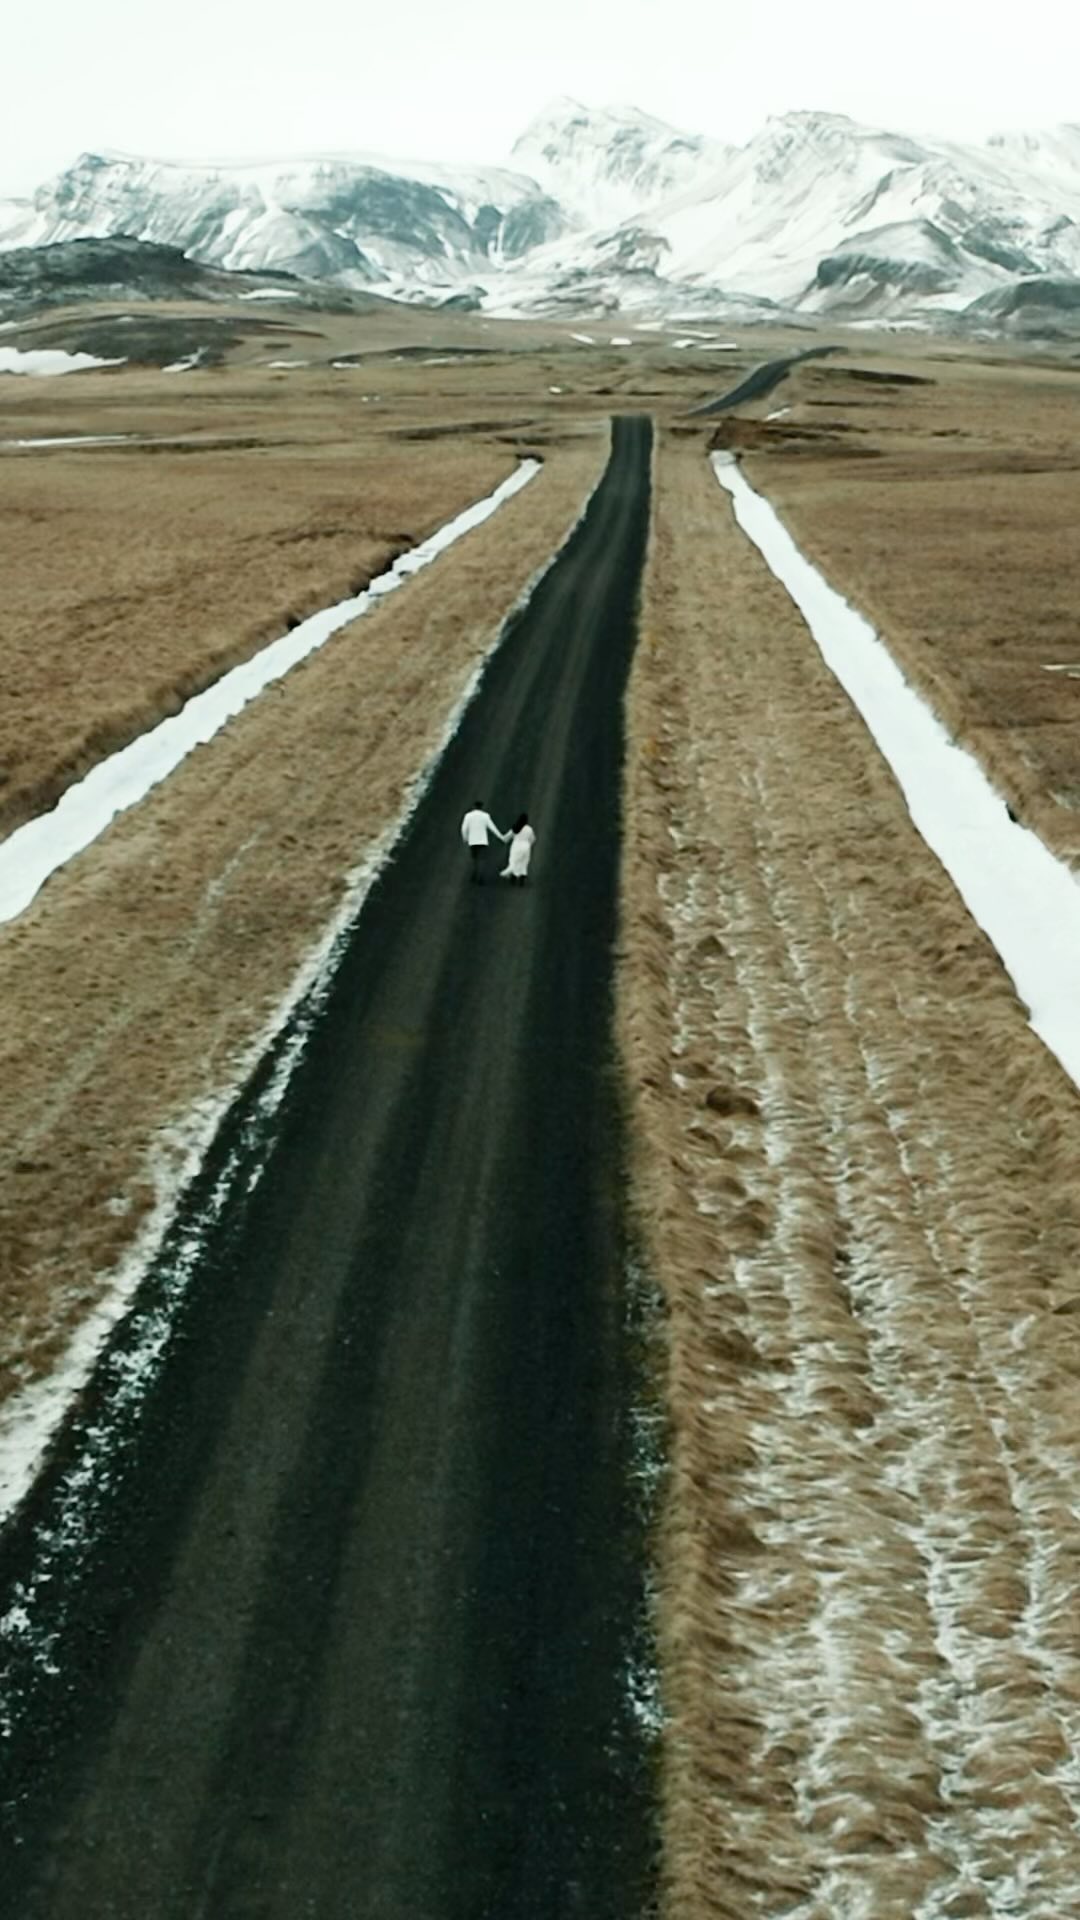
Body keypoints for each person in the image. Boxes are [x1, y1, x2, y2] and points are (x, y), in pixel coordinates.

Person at [460, 801, 508, 883]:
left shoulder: (468, 816)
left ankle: (475, 874)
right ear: (481, 807)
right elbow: (493, 828)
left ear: (474, 806)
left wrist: (465, 838)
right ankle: (480, 876)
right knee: (481, 859)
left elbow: (464, 829)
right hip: (482, 841)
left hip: (472, 841)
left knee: (475, 858)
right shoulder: (485, 816)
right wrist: (501, 837)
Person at [501, 813, 536, 886]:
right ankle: (522, 877)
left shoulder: (515, 827)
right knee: (524, 862)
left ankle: (513, 876)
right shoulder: (529, 829)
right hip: (526, 846)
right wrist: (529, 844)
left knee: (514, 861)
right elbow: (533, 839)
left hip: (516, 845)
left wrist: (503, 839)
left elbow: (507, 837)